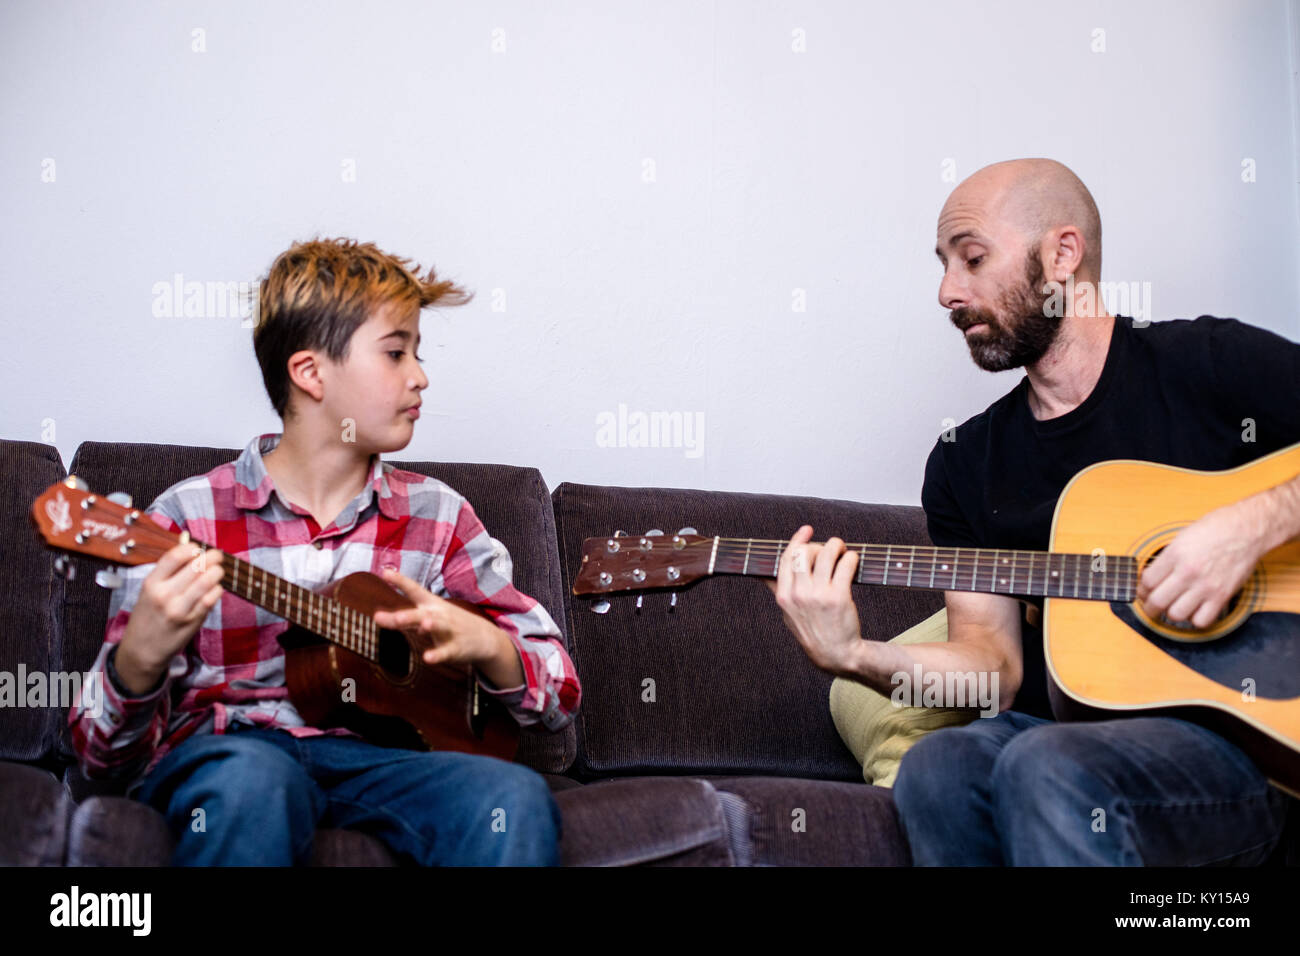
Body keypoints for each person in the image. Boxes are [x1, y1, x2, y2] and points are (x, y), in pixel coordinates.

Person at [767, 158, 1300, 865]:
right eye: (944, 265)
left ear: (1063, 254)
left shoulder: (1207, 365)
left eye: (973, 259)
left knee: (1045, 763)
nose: (947, 292)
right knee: (939, 769)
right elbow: (993, 668)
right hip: (1077, 745)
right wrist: (853, 655)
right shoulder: (965, 462)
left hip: (1252, 749)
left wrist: (1251, 525)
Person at [68, 237, 582, 866]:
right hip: (237, 751)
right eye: (396, 353)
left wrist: (491, 647)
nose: (421, 375)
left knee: (515, 797)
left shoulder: (439, 515)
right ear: (310, 373)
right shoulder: (185, 518)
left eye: (418, 353)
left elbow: (558, 695)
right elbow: (99, 756)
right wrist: (138, 663)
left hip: (391, 761)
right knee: (253, 785)